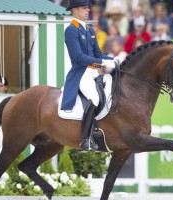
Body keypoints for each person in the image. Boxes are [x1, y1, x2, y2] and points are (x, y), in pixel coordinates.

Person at [62, 0, 118, 151]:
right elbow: (79, 58)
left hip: (93, 73)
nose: (88, 11)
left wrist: (113, 59)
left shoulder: (90, 30)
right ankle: (85, 139)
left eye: (88, 8)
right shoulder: (71, 30)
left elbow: (98, 53)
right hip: (80, 74)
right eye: (84, 8)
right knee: (94, 98)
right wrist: (102, 63)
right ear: (74, 11)